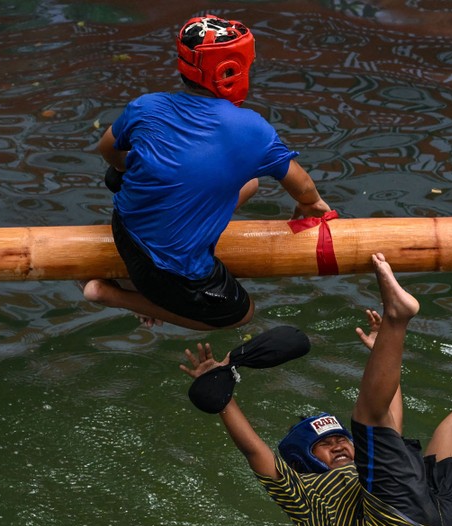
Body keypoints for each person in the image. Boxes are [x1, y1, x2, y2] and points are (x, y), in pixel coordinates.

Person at [180, 253, 452, 526]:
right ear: (301, 459)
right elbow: (254, 450)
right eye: (324, 444)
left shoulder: (370, 476)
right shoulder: (300, 491)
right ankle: (398, 317)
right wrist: (222, 397)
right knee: (368, 420)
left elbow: (388, 425)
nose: (339, 445)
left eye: (340, 440)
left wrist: (382, 349)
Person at [83, 14, 332, 330]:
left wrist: (129, 168)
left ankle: (152, 277)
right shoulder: (252, 129)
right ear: (230, 72)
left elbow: (108, 150)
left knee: (250, 183)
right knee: (238, 314)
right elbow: (304, 187)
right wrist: (310, 206)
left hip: (125, 229)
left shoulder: (146, 106)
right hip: (172, 271)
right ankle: (107, 294)